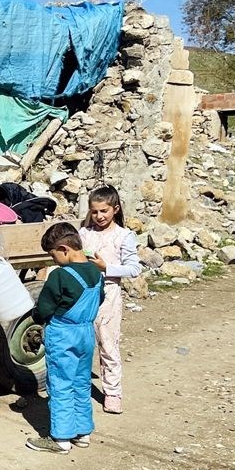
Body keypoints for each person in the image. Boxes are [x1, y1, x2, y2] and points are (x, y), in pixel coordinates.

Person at [26, 223, 104, 454]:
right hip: (86, 333)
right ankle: (83, 432)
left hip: (63, 334)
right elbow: (99, 298)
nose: (53, 261)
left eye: (53, 255)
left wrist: (37, 316)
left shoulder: (60, 276)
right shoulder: (95, 271)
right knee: (81, 382)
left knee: (60, 383)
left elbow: (44, 307)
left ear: (64, 249)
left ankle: (60, 438)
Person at [79, 186, 141, 414]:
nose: (99, 216)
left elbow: (134, 268)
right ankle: (80, 386)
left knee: (108, 344)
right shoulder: (85, 233)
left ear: (115, 209)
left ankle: (112, 393)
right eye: (94, 212)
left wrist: (108, 268)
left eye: (104, 211)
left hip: (109, 293)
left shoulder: (124, 236)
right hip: (84, 293)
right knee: (82, 343)